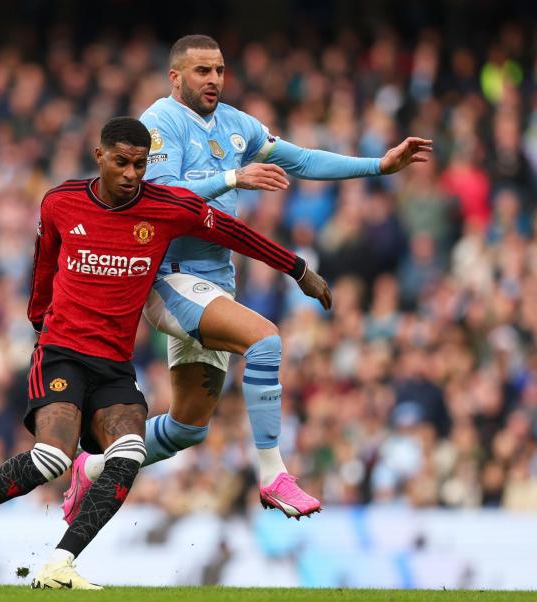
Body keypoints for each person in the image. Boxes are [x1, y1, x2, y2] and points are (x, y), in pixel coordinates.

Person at [0, 117, 331, 589]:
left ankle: (59, 564)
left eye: (140, 165)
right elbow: (43, 269)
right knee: (50, 459)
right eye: (122, 162)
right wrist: (41, 324)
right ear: (99, 155)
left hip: (114, 365)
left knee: (128, 453)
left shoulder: (167, 207)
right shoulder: (60, 202)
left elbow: (234, 233)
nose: (130, 174)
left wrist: (298, 268)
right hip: (62, 352)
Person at [62, 34, 432, 521]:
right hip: (169, 278)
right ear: (176, 77)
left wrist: (379, 165)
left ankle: (88, 469)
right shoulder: (159, 123)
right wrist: (234, 178)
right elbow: (164, 195)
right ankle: (273, 474)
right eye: (201, 71)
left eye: (218, 70)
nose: (213, 79)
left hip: (216, 283)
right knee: (265, 341)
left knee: (187, 428)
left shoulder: (237, 125)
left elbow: (300, 159)